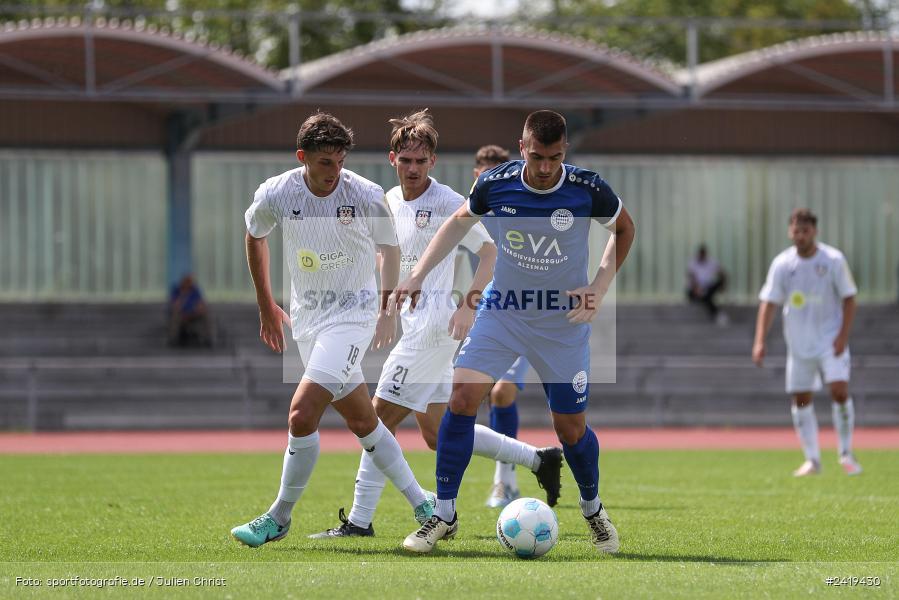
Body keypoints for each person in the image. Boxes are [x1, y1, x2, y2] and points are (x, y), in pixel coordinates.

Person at [309, 110, 562, 539]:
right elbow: (387, 256)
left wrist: (468, 304)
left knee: (376, 420)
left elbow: (489, 253)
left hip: (433, 329)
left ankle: (360, 521)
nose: (412, 169)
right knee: (437, 434)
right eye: (405, 160)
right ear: (392, 159)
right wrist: (383, 305)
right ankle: (540, 458)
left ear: (433, 163)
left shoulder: (446, 201)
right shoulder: (388, 201)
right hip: (413, 326)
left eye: (420, 162)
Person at [395, 110, 636, 554]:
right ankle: (443, 514)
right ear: (522, 147)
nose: (547, 168)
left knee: (570, 429)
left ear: (565, 151)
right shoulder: (496, 183)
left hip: (561, 324)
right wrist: (417, 274)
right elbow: (458, 224)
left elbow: (624, 228)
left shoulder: (586, 188)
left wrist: (600, 286)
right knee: (462, 398)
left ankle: (592, 508)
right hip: (503, 312)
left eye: (556, 157)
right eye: (539, 156)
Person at [230, 112, 435, 547]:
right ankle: (424, 504)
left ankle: (278, 517)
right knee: (365, 421)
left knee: (301, 414)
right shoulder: (278, 192)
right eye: (325, 163)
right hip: (309, 320)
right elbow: (254, 235)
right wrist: (266, 304)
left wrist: (386, 309)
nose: (334, 172)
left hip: (353, 318)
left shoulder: (363, 192)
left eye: (340, 161)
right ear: (303, 157)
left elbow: (390, 247)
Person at [753, 208, 862, 477]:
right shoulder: (782, 264)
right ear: (790, 231)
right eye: (796, 231)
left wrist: (842, 336)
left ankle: (846, 453)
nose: (800, 235)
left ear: (814, 231)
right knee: (801, 399)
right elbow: (769, 303)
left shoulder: (833, 260)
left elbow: (849, 298)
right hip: (799, 344)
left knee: (839, 390)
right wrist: (759, 341)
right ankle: (812, 460)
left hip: (830, 341)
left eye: (805, 230)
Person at [473, 144, 533, 508]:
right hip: (476, 313)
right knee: (470, 398)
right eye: (485, 174)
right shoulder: (465, 215)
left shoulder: (520, 214)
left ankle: (505, 480)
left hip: (520, 313)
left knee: (501, 393)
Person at [686, 244, 728, 325]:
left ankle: (717, 314)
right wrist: (696, 289)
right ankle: (717, 314)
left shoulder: (711, 262)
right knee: (706, 297)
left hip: (707, 289)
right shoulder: (693, 263)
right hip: (695, 291)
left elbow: (722, 273)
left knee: (707, 294)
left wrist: (723, 286)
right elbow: (691, 278)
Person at [167, 274, 212, 346]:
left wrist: (198, 309)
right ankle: (173, 339)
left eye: (189, 282)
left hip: (193, 314)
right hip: (181, 314)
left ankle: (208, 338)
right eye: (186, 282)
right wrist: (183, 294)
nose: (188, 284)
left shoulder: (195, 291)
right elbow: (175, 305)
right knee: (175, 315)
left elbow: (200, 303)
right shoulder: (177, 290)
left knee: (205, 314)